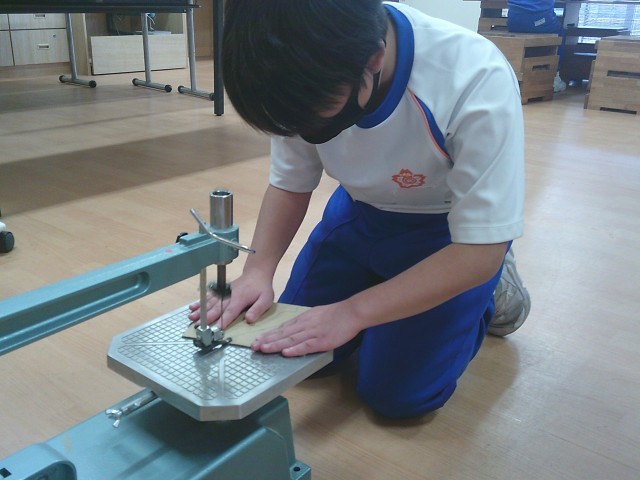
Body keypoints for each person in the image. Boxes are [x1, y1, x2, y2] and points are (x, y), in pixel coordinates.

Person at [189, 0, 531, 419]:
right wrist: (257, 272)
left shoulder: (473, 76)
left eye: (312, 117)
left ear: (374, 59)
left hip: (448, 237)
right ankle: (380, 292)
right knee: (290, 353)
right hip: (358, 215)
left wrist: (354, 312)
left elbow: (479, 253)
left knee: (396, 396)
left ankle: (492, 291)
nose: (300, 132)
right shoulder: (295, 64)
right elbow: (290, 184)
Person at [507, 0, 567, 92]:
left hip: (513, 22)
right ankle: (554, 77)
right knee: (560, 34)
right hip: (538, 21)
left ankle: (518, 73)